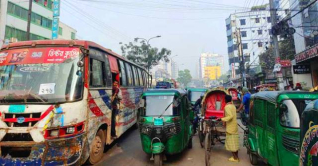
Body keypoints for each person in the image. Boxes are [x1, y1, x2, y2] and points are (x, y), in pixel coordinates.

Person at [220, 95, 239, 162]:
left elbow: (230, 116)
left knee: (231, 143)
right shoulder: (233, 106)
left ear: (225, 100)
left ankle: (235, 158)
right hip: (235, 126)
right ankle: (236, 157)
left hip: (230, 127)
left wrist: (222, 119)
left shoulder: (227, 107)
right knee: (235, 143)